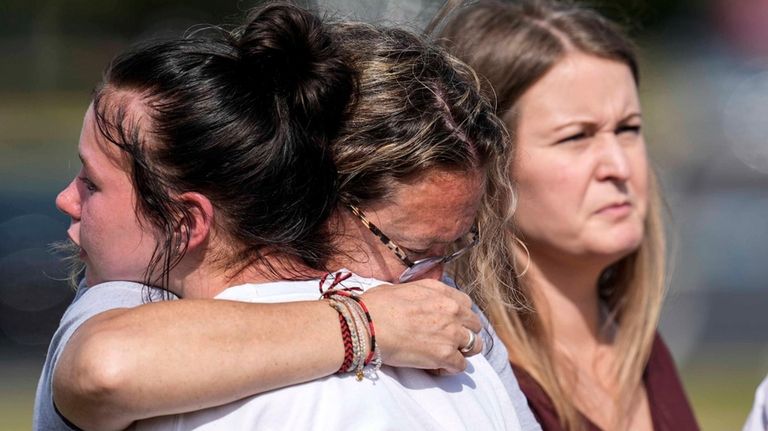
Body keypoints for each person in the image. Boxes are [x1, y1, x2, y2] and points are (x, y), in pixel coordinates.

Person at [35, 3, 537, 430]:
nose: (437, 283)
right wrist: (366, 324)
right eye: (415, 252)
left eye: (450, 250)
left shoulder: (448, 326)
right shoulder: (130, 296)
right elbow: (106, 366)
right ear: (317, 206)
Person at [437, 1, 699, 430]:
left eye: (628, 128)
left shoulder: (643, 352)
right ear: (486, 164)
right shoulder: (465, 376)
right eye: (577, 136)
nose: (617, 164)